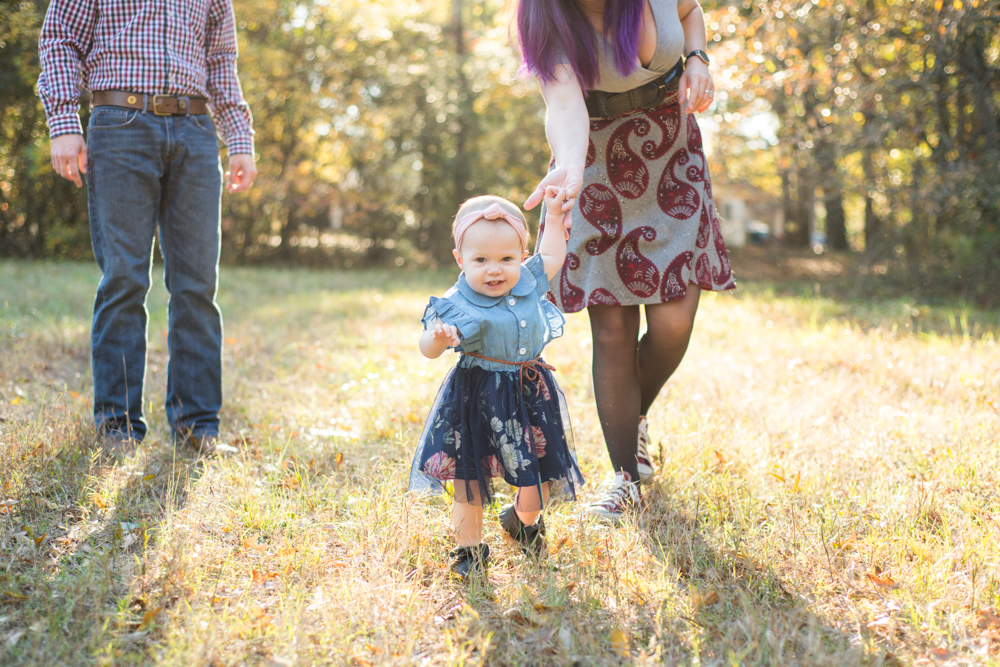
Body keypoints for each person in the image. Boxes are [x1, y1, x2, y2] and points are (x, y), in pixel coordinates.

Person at [516, 0, 735, 520]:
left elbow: (690, 11)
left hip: (670, 147)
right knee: (612, 329)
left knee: (673, 323)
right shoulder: (543, 16)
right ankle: (622, 479)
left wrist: (699, 58)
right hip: (592, 159)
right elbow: (565, 105)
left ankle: (630, 415)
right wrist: (569, 168)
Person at [37, 0, 258, 453]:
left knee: (197, 285)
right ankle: (117, 426)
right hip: (120, 125)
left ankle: (197, 425)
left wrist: (239, 139)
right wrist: (63, 122)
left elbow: (220, 63)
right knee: (124, 278)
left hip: (196, 133)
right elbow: (61, 39)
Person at [410, 192, 583, 581]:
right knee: (468, 482)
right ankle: (468, 550)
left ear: (522, 257)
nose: (495, 270)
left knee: (535, 478)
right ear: (461, 260)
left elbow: (552, 254)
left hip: (528, 393)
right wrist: (438, 339)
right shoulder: (457, 303)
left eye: (507, 259)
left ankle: (522, 521)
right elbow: (426, 348)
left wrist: (553, 216)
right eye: (481, 260)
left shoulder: (530, 281)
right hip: (478, 397)